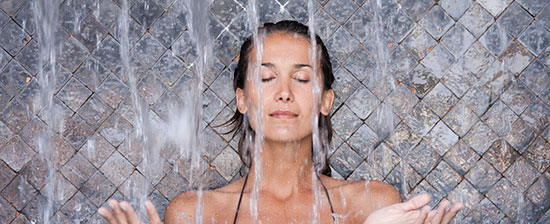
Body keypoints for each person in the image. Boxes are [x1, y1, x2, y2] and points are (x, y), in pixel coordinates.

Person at [98, 20, 464, 224]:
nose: (284, 93)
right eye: (266, 78)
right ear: (243, 99)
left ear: (325, 101)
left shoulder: (374, 205)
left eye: (302, 79)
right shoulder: (195, 213)